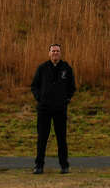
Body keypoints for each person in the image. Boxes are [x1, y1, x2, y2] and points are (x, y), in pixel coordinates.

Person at [30, 43, 75, 174]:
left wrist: (66, 100)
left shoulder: (66, 69)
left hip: (60, 110)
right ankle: (39, 166)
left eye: (57, 51)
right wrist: (40, 99)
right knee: (42, 138)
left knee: (62, 138)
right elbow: (34, 86)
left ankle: (64, 166)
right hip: (44, 109)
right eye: (53, 51)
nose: (55, 53)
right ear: (49, 53)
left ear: (60, 54)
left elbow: (72, 87)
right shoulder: (42, 68)